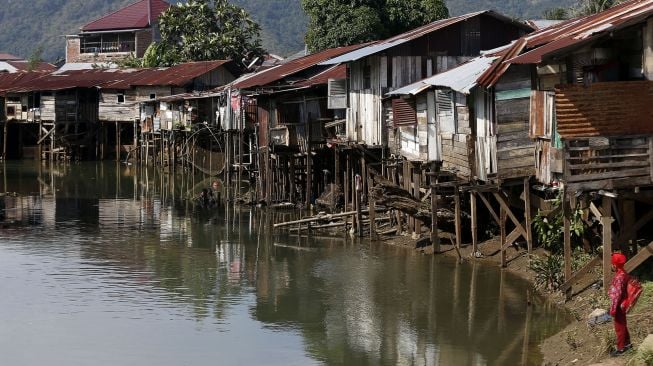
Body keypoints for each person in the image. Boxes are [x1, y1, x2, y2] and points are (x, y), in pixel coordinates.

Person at [609, 252, 632, 356]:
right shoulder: (624, 274)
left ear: (614, 265)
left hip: (619, 304)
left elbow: (617, 295)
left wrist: (613, 308)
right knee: (623, 324)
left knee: (619, 326)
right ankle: (627, 343)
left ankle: (620, 348)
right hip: (624, 302)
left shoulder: (619, 277)